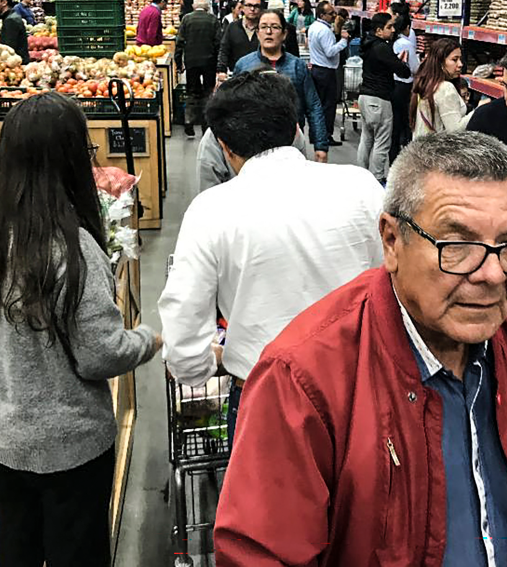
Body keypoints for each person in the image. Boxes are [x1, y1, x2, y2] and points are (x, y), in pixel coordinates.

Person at [213, 130, 507, 566]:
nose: (492, 274)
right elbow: (263, 553)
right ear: (392, 241)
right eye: (457, 244)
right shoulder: (305, 378)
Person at [0, 93, 162, 567]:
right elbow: (100, 354)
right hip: (70, 443)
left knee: (17, 543)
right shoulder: (72, 248)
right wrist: (148, 340)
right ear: (71, 160)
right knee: (75, 551)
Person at [159, 71, 384, 442]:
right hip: (359, 390)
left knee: (271, 500)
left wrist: (203, 365)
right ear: (297, 129)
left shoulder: (211, 210)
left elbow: (183, 337)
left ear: (224, 146)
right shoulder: (362, 186)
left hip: (266, 399)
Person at [233, 10, 328, 162]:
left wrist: (321, 146)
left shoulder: (297, 66)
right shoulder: (244, 65)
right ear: (257, 33)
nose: (268, 32)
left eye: (275, 27)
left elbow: (313, 106)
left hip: (291, 145)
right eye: (263, 27)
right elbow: (234, 107)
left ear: (284, 34)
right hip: (253, 146)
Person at [357, 12, 412, 183]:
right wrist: (402, 63)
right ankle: (377, 179)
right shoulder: (381, 47)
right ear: (379, 30)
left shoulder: (368, 44)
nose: (393, 30)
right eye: (389, 27)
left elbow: (384, 64)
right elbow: (402, 71)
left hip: (365, 97)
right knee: (382, 142)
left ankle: (361, 176)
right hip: (379, 99)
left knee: (366, 139)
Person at [176, 0, 222, 138]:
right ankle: (206, 125)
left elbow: (179, 42)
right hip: (209, 61)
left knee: (192, 91)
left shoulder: (186, 19)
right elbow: (218, 43)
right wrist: (219, 64)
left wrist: (179, 63)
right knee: (208, 91)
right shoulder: (213, 20)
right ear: (207, 7)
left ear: (194, 6)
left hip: (191, 61)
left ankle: (189, 121)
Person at [308, 1, 350, 147]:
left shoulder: (315, 27)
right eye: (331, 13)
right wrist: (344, 41)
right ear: (322, 15)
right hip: (325, 72)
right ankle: (325, 136)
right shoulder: (324, 31)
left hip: (317, 69)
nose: (334, 15)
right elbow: (330, 51)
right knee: (328, 106)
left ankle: (317, 134)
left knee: (319, 105)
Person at [410, 37, 467, 137]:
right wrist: (479, 112)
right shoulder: (445, 88)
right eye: (454, 60)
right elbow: (455, 130)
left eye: (460, 59)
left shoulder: (426, 85)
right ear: (440, 62)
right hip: (437, 150)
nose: (460, 64)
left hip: (420, 149)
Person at [390, 12, 419, 161]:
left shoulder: (393, 42)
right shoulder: (407, 44)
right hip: (405, 87)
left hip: (393, 86)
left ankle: (393, 157)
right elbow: (414, 68)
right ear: (407, 27)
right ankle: (405, 156)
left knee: (395, 124)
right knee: (406, 124)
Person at [217, 0, 262, 82]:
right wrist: (221, 70)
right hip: (237, 76)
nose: (252, 9)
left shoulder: (264, 29)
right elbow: (224, 49)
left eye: (256, 6)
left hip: (260, 77)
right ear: (242, 8)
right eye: (249, 5)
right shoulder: (232, 27)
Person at [0, 0, 29, 65]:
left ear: (4, 2)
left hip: (16, 64)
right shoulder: (10, 17)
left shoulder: (11, 20)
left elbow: (8, 49)